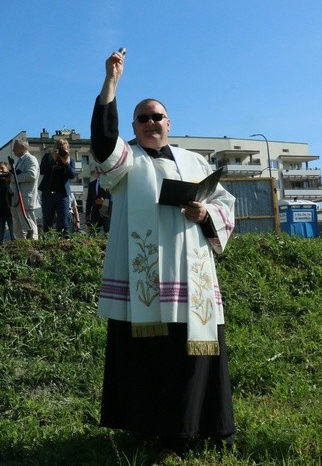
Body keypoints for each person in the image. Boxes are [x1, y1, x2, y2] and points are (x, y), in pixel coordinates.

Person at [92, 49, 236, 451]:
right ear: (134, 126)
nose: (151, 122)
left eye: (158, 116)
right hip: (144, 284)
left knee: (193, 357)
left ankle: (196, 428)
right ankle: (147, 428)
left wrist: (204, 211)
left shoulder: (195, 162)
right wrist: (111, 83)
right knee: (146, 360)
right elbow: (104, 142)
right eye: (143, 117)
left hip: (193, 282)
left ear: (169, 123)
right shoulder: (125, 161)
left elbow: (226, 207)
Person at [38, 138, 76, 234]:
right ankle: (47, 245)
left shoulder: (70, 160)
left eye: (64, 149)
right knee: (47, 223)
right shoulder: (47, 157)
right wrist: (53, 159)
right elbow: (41, 171)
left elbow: (72, 175)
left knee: (63, 223)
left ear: (68, 149)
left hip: (62, 195)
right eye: (60, 149)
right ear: (55, 149)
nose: (62, 151)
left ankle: (64, 244)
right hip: (48, 194)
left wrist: (65, 162)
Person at [9, 137, 40, 240]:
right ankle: (21, 246)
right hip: (16, 199)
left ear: (22, 147)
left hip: (25, 198)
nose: (13, 150)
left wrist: (13, 178)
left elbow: (32, 175)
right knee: (18, 227)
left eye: (15, 147)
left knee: (29, 223)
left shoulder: (30, 159)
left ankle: (33, 244)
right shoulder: (19, 161)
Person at [0, 161, 14, 246]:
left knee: (14, 235)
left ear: (7, 168)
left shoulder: (12, 180)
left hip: (11, 212)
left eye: (2, 168)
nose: (0, 170)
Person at [86, 168, 112, 234]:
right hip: (95, 214)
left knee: (108, 233)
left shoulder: (109, 182)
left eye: (100, 171)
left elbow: (112, 196)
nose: (98, 173)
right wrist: (87, 214)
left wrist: (105, 201)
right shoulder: (91, 184)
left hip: (107, 212)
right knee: (93, 233)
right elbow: (89, 200)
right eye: (97, 171)